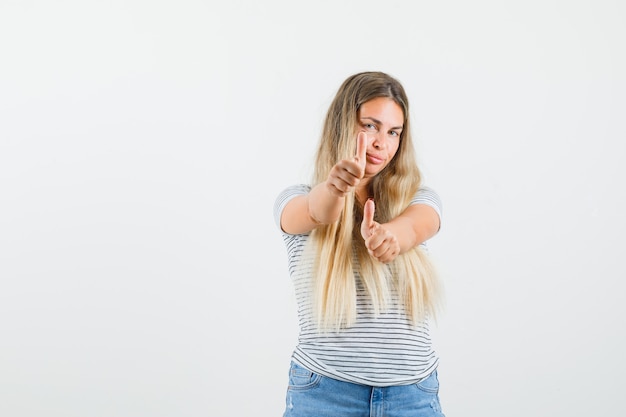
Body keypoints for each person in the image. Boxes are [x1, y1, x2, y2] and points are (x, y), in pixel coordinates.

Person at [274, 71, 445, 417]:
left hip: (412, 396)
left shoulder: (419, 199)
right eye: (370, 126)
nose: (382, 142)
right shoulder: (294, 200)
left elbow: (415, 226)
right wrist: (336, 188)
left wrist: (390, 237)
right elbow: (315, 211)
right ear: (343, 125)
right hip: (325, 394)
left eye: (393, 132)